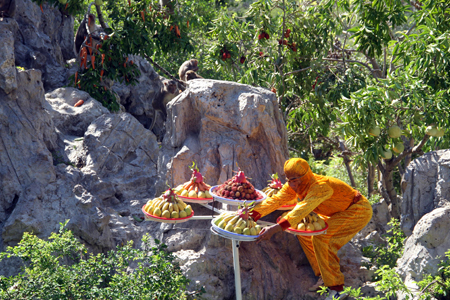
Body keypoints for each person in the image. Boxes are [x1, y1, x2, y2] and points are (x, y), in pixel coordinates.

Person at [253, 158, 373, 300]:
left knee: (323, 239)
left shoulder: (320, 187)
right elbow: (276, 200)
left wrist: (274, 229)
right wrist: (251, 214)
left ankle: (337, 288)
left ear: (306, 176)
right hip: (336, 212)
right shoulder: (294, 185)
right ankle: (324, 275)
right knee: (305, 233)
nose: (292, 184)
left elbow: (302, 209)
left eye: (295, 180)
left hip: (357, 210)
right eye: (289, 179)